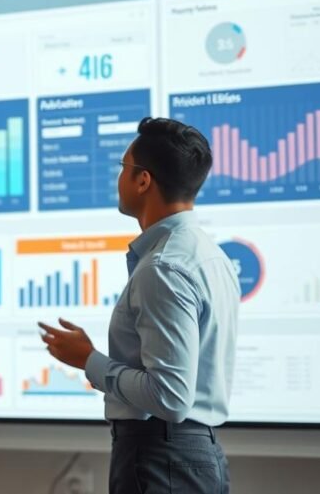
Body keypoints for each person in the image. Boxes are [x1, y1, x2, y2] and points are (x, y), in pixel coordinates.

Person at [39, 117, 239, 494]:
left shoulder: (163, 267)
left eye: (123, 167)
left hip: (161, 460)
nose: (119, 178)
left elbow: (170, 397)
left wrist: (89, 360)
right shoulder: (211, 256)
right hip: (192, 456)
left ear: (143, 180)